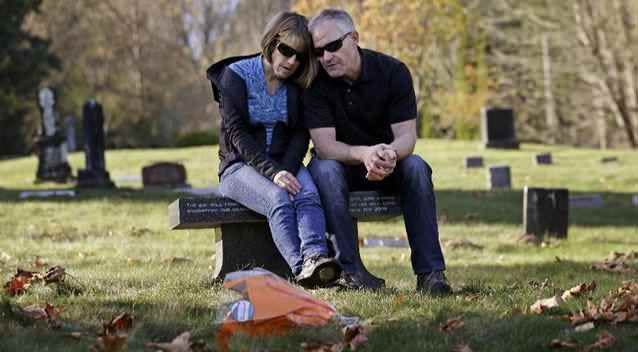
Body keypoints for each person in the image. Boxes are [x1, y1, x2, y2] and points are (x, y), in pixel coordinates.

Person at [303, 9, 451, 295]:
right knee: (323, 167)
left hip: (387, 164)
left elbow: (407, 137)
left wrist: (388, 155)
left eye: (333, 46)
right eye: (318, 52)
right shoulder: (315, 84)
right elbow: (325, 146)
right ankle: (350, 272)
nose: (326, 57)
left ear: (354, 38)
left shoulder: (393, 72)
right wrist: (364, 154)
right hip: (341, 165)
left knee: (417, 167)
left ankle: (431, 274)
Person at [206, 12, 341, 288]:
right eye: (286, 51)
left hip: (284, 163)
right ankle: (301, 268)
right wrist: (274, 173)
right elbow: (237, 133)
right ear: (272, 42)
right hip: (238, 168)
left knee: (307, 193)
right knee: (278, 199)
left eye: (300, 56)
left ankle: (316, 257)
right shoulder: (236, 76)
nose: (291, 61)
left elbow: (300, 133)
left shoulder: (297, 85)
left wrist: (287, 169)